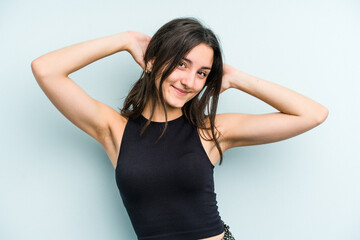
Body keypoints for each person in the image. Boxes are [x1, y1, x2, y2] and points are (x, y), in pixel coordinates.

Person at [31, 17, 328, 240]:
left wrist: (236, 77)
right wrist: (125, 39)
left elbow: (313, 114)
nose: (190, 82)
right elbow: (46, 69)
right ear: (152, 62)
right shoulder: (115, 130)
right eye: (181, 65)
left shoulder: (211, 131)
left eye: (202, 73)